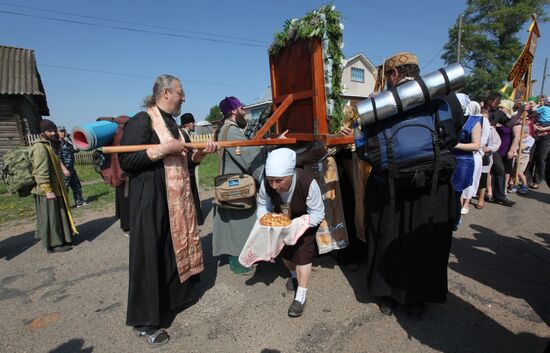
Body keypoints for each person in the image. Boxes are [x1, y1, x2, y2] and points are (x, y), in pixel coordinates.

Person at [119, 75, 217, 347]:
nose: (184, 98)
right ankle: (145, 322)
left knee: (171, 250)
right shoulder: (142, 120)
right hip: (150, 200)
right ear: (165, 92)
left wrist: (198, 156)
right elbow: (126, 160)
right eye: (180, 93)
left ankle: (175, 299)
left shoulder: (174, 125)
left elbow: (184, 162)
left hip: (175, 199)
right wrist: (164, 149)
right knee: (150, 255)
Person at [363, 52, 460, 319]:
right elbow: (453, 135)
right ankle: (418, 300)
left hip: (389, 186)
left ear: (393, 75)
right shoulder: (444, 97)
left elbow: (365, 148)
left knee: (387, 237)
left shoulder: (379, 105)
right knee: (426, 241)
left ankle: (386, 295)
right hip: (433, 186)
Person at [256, 148, 325, 317]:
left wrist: (299, 225)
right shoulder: (267, 183)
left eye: (279, 180)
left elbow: (318, 213)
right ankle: (294, 275)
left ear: (291, 174)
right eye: (271, 180)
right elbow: (262, 206)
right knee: (285, 253)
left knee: (302, 254)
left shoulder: (307, 182)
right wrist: (268, 220)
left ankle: (301, 295)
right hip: (281, 221)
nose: (274, 185)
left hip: (305, 222)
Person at [212, 96, 269, 276]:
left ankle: (239, 261)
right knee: (239, 227)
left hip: (230, 183)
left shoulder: (226, 128)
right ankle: (240, 264)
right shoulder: (232, 130)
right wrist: (269, 149)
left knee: (234, 226)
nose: (245, 111)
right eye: (242, 108)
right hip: (236, 188)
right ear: (234, 111)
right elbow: (249, 157)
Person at [29, 119, 78, 253]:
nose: (53, 133)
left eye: (54, 130)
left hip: (55, 187)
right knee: (51, 218)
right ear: (43, 132)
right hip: (47, 190)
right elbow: (40, 171)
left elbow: (56, 160)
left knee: (58, 215)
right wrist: (48, 190)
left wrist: (63, 169)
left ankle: (63, 238)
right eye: (50, 131)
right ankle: (53, 245)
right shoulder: (40, 148)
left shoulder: (49, 145)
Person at [452, 94, 481, 226]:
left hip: (463, 162)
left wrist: (454, 145)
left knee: (456, 194)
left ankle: (455, 221)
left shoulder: (473, 121)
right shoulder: (450, 119)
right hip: (449, 160)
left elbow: (476, 146)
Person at [461, 100, 489, 213]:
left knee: (471, 180)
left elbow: (483, 139)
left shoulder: (482, 120)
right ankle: (461, 202)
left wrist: (476, 148)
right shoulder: (466, 119)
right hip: (464, 154)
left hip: (474, 155)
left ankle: (466, 204)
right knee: (462, 180)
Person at [180, 112, 206, 225]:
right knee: (191, 193)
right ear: (186, 124)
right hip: (188, 168)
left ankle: (196, 218)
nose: (194, 124)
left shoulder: (186, 133)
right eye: (192, 122)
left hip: (190, 166)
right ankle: (195, 219)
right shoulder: (183, 134)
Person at [57, 126, 89, 207]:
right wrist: (64, 169)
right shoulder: (57, 144)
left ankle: (79, 202)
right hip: (64, 170)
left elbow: (76, 149)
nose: (63, 133)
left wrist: (72, 139)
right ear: (57, 132)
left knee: (76, 186)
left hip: (71, 168)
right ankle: (63, 206)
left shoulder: (66, 142)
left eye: (64, 131)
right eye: (61, 131)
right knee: (65, 188)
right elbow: (58, 158)